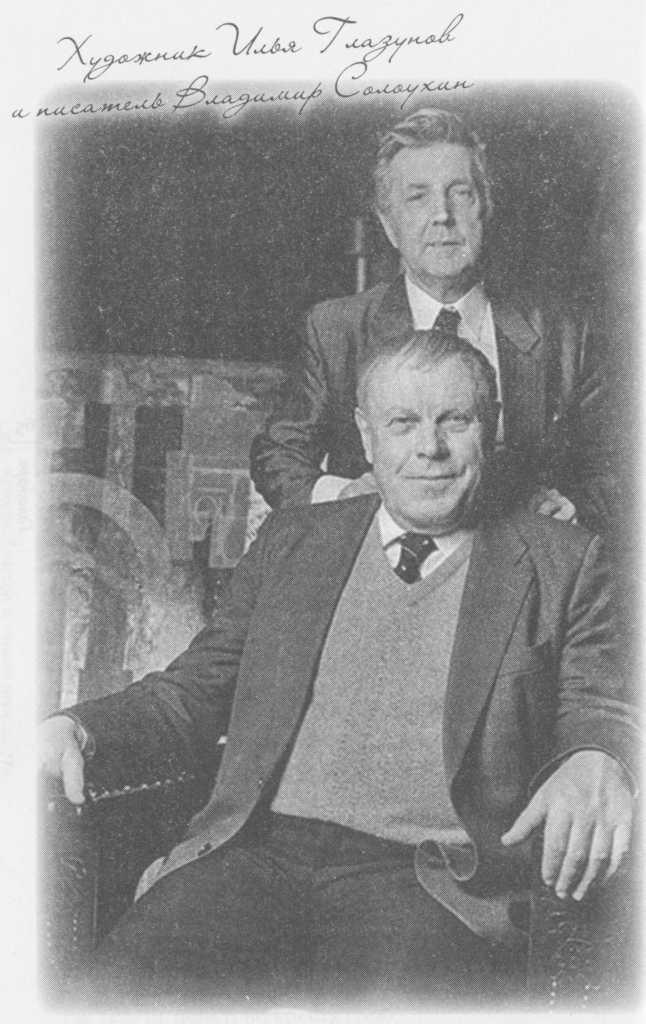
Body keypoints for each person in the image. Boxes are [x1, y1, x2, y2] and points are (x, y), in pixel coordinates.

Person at [41, 331, 636, 1008]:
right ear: (365, 435)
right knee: (113, 994)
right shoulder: (296, 539)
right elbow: (191, 692)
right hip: (257, 857)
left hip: (428, 880)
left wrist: (600, 757)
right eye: (402, 423)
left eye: (455, 420)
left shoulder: (564, 561)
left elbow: (602, 701)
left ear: (491, 427)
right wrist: (79, 728)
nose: (430, 448)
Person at [250, 107, 618, 534]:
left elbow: (624, 466)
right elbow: (278, 455)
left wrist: (574, 507)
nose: (442, 214)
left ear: (486, 209)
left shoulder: (566, 333)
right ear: (389, 225)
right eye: (417, 197)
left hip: (523, 559)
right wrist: (344, 495)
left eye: (460, 192)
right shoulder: (336, 328)